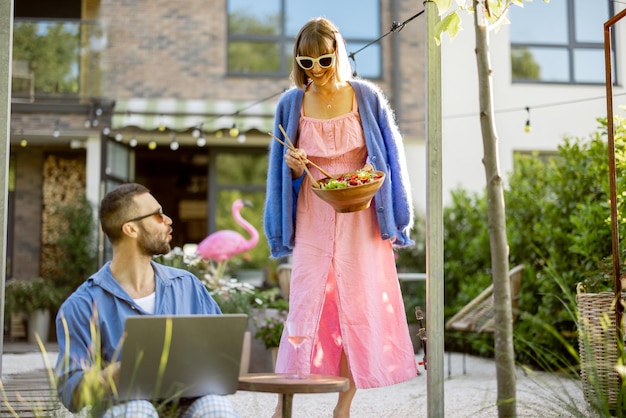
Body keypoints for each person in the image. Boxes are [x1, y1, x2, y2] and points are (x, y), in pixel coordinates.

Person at [264, 17, 417, 418]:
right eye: (307, 61)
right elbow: (282, 176)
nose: (316, 69)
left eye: (324, 60)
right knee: (304, 306)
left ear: (339, 54)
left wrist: (394, 212)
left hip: (362, 215)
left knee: (356, 306)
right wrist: (295, 166)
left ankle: (343, 407)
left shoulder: (365, 97)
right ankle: (284, 407)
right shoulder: (290, 103)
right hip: (312, 212)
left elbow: (389, 158)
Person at [54, 183, 239, 418]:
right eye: (158, 215)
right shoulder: (81, 305)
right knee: (137, 411)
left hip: (191, 405)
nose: (169, 220)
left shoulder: (187, 285)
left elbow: (223, 358)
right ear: (131, 229)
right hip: (125, 407)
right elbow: (71, 395)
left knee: (216, 408)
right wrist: (113, 375)